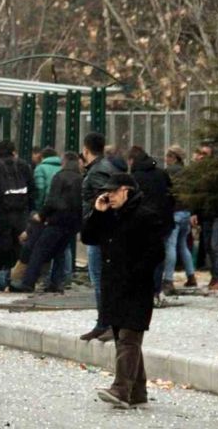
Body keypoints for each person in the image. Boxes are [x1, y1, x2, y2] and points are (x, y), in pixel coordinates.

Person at [82, 173, 164, 409]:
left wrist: (136, 274)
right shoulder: (110, 215)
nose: (108, 196)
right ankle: (138, 392)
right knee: (123, 336)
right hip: (114, 287)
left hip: (136, 287)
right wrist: (97, 212)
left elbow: (156, 253)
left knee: (129, 336)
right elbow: (88, 237)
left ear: (126, 190)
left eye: (113, 191)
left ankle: (120, 389)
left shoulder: (145, 215)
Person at [15, 152, 83, 292]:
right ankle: (56, 283)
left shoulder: (59, 177)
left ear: (64, 162)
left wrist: (42, 215)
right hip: (72, 222)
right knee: (60, 252)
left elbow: (52, 200)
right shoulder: (80, 178)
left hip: (57, 220)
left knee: (39, 251)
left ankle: (28, 283)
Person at [79, 132, 123, 342]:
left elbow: (104, 199)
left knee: (100, 279)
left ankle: (105, 323)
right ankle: (104, 323)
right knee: (102, 278)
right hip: (103, 231)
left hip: (99, 232)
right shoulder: (107, 167)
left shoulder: (97, 172)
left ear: (86, 150)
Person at [0, 140, 35, 275]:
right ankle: (13, 278)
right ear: (13, 151)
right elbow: (32, 190)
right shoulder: (24, 165)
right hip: (21, 216)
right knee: (16, 249)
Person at [127, 146, 175, 302]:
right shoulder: (162, 173)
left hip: (142, 223)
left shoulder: (134, 177)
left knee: (140, 257)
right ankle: (156, 290)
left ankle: (142, 291)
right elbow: (170, 195)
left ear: (132, 160)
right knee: (158, 256)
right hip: (163, 222)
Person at [189, 144, 218, 291]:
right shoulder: (197, 174)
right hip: (205, 214)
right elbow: (195, 194)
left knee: (216, 245)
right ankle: (215, 276)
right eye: (199, 153)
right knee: (208, 246)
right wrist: (194, 212)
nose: (200, 156)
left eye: (204, 154)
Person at [162, 145, 197, 292]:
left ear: (174, 158)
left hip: (174, 213)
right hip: (186, 212)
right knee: (182, 245)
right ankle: (191, 276)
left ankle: (168, 280)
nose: (166, 159)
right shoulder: (189, 173)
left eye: (168, 156)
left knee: (170, 246)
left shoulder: (168, 172)